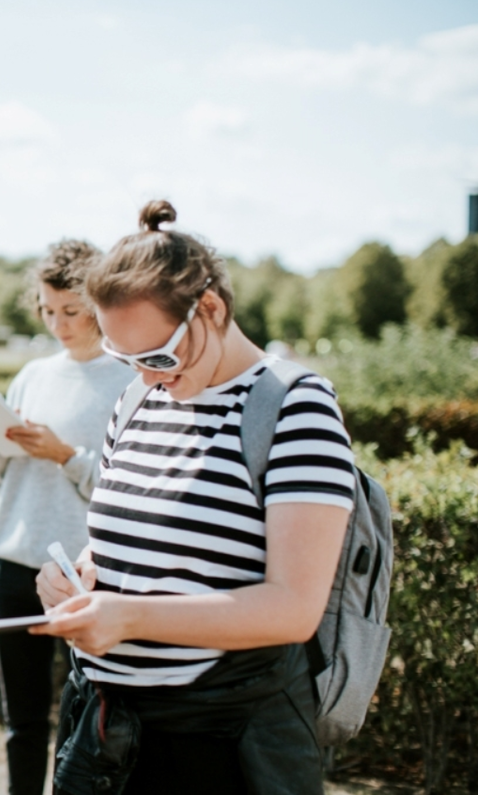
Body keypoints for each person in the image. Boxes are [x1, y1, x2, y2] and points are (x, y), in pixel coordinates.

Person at [33, 201, 355, 794]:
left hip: (221, 743)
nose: (148, 375)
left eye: (158, 355)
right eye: (124, 358)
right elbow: (129, 549)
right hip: (105, 732)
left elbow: (293, 608)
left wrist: (128, 617)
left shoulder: (295, 407)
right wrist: (78, 579)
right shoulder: (137, 400)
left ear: (211, 307)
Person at [0, 240, 134, 795]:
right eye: (48, 311)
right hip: (12, 562)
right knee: (20, 722)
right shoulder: (33, 374)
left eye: (70, 311)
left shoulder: (129, 381)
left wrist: (64, 455)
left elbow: (129, 492)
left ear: (97, 301)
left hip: (82, 574)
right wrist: (3, 446)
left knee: (83, 716)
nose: (59, 324)